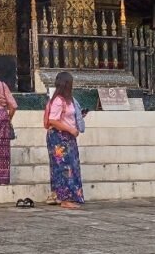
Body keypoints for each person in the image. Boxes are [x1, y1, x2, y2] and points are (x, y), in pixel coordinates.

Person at [43, 70, 85, 208]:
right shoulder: (58, 101)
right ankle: (65, 197)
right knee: (63, 167)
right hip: (59, 137)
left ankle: (65, 195)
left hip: (68, 137)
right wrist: (70, 129)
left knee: (71, 165)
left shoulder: (69, 100)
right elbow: (52, 120)